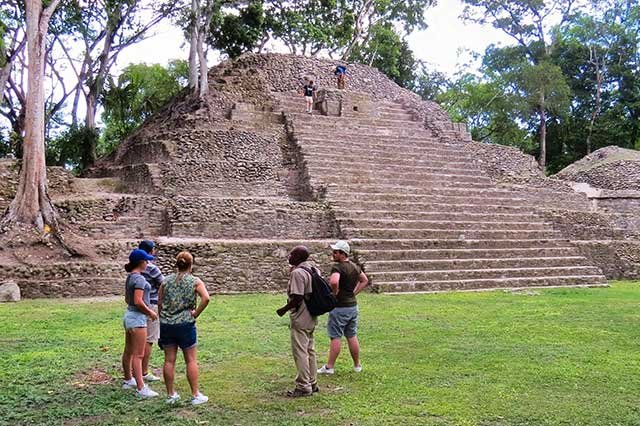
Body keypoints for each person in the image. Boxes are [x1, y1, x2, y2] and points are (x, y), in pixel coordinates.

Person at [158, 251, 210, 405]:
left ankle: (171, 395)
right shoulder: (195, 281)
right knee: (191, 360)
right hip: (186, 324)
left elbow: (159, 302)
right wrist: (195, 314)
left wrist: (164, 317)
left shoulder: (165, 281)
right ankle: (195, 394)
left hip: (167, 324)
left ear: (176, 264)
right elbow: (206, 298)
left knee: (169, 360)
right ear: (191, 265)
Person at [317, 240, 368, 375]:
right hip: (352, 306)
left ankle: (329, 367)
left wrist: (334, 293)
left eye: (336, 252)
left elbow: (334, 281)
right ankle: (357, 365)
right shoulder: (355, 267)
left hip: (339, 307)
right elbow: (364, 280)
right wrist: (354, 293)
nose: (333, 254)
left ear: (342, 254)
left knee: (335, 336)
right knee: (351, 335)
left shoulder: (338, 268)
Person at [276, 245, 319, 397]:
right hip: (312, 314)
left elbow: (298, 297)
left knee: (300, 351)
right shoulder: (313, 269)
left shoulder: (298, 273)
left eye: (292, 254)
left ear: (299, 257)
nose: (289, 256)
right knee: (310, 349)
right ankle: (312, 382)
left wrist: (284, 309)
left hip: (301, 315)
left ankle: (303, 385)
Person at [121, 248, 160, 398]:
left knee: (129, 351)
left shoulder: (131, 277)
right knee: (138, 354)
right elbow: (138, 301)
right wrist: (150, 312)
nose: (148, 263)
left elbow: (128, 300)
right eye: (146, 260)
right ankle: (141, 388)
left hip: (129, 316)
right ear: (141, 262)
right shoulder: (140, 279)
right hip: (137, 318)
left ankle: (128, 379)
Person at [138, 240, 164, 383]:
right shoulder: (151, 268)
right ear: (150, 250)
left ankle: (133, 371)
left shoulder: (135, 268)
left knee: (136, 341)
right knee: (149, 340)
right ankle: (144, 371)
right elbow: (163, 283)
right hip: (151, 305)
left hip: (138, 305)